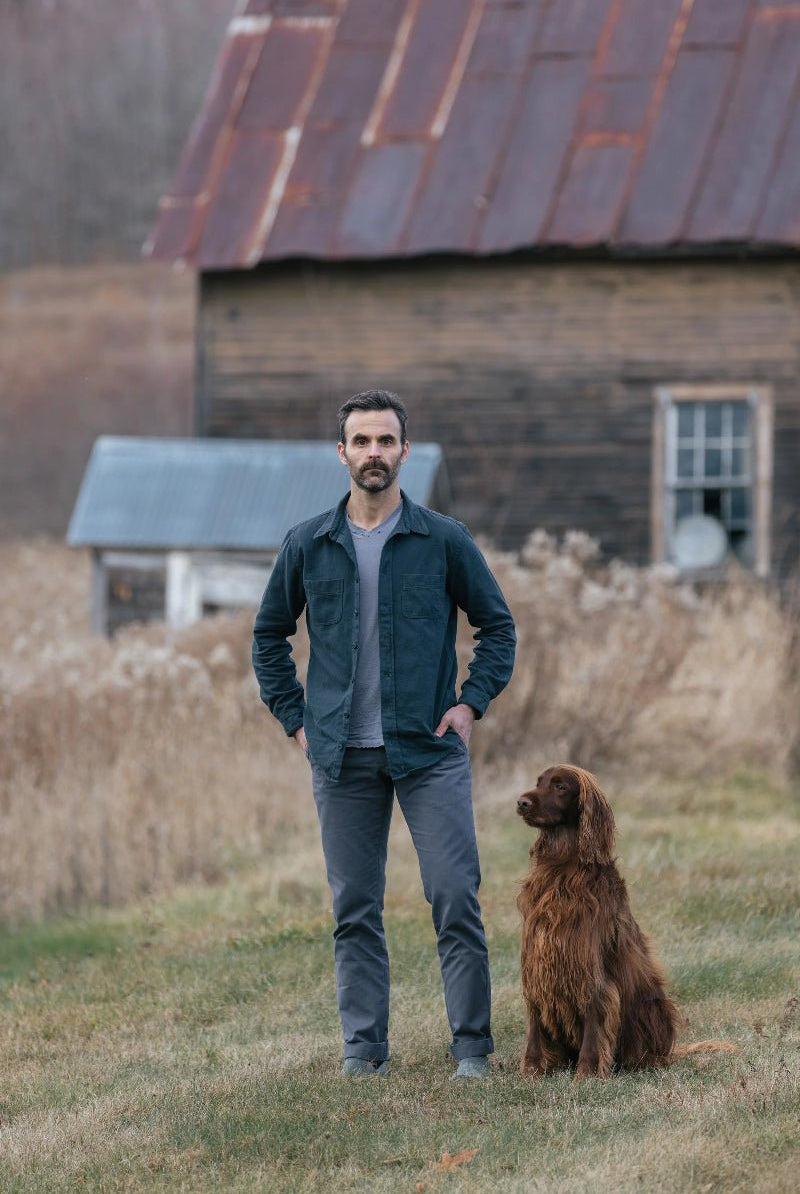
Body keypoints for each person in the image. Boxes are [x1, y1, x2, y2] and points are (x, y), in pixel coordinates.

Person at [252, 389, 516, 1079]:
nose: (375, 453)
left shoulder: (444, 540)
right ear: (341, 453)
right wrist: (296, 719)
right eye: (362, 441)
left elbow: (497, 627)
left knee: (454, 897)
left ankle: (472, 1051)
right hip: (340, 756)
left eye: (386, 441)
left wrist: (470, 705)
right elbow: (269, 637)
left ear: (405, 451)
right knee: (354, 908)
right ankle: (363, 1053)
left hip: (429, 751)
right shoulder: (307, 543)